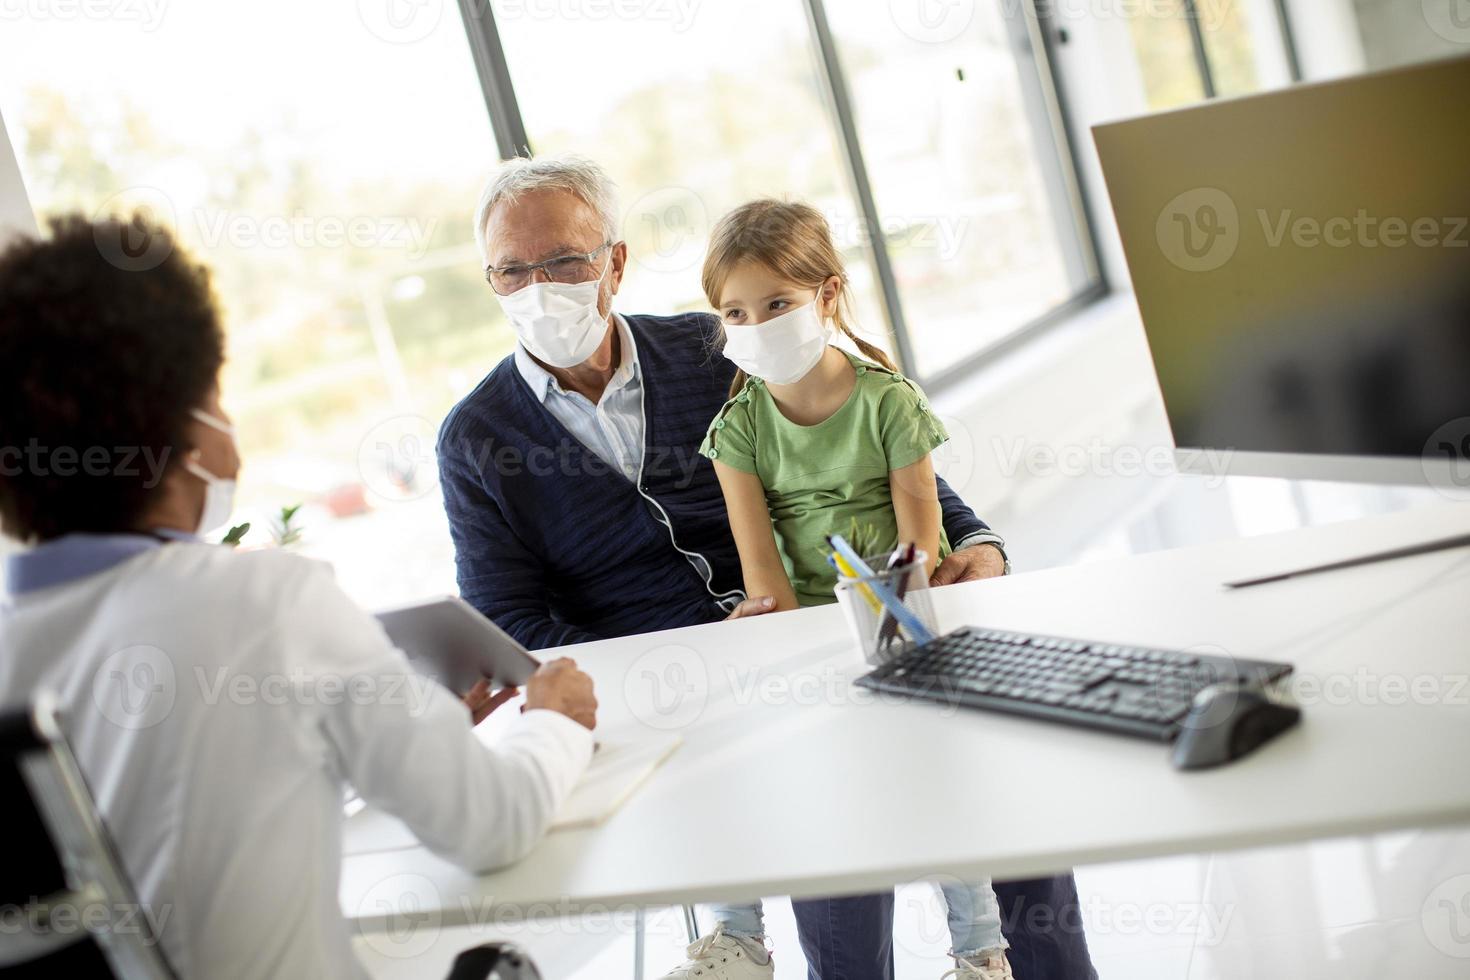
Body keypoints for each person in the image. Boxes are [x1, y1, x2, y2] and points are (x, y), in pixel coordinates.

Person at [439, 155, 1096, 979]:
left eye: (565, 262)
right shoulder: (474, 438)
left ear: (615, 261)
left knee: (1006, 793)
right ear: (489, 279)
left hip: (830, 625)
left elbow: (886, 461)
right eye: (512, 270)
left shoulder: (716, 346)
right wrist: (663, 670)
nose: (540, 287)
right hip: (675, 697)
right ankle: (771, 943)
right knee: (838, 846)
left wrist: (981, 545)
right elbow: (508, 620)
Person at [0, 214, 600, 980]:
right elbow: (495, 824)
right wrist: (552, 721)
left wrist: (396, 727)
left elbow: (153, 836)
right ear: (185, 426)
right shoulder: (261, 602)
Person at [693, 199, 1013, 980]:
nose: (757, 323)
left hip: (901, 613)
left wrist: (890, 618)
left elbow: (922, 525)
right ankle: (735, 939)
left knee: (940, 772)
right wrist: (808, 656)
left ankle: (981, 951)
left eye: (777, 304)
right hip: (804, 628)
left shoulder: (888, 400)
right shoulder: (738, 428)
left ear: (828, 295)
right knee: (738, 756)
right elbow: (758, 566)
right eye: (736, 311)